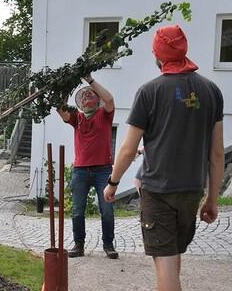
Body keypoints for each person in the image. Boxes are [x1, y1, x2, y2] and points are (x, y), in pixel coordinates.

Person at [104, 25, 224, 290]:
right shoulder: (212, 91)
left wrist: (113, 182)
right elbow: (217, 153)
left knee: (166, 264)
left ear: (157, 55)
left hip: (158, 191)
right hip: (192, 190)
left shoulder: (150, 92)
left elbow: (127, 149)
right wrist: (212, 199)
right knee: (173, 254)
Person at [57, 74, 118, 259]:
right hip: (81, 171)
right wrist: (66, 85)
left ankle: (108, 244)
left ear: (97, 99)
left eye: (91, 94)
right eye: (83, 96)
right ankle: (79, 245)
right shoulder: (77, 118)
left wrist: (90, 80)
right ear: (80, 103)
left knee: (107, 210)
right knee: (77, 210)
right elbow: (60, 110)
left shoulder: (105, 114)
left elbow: (109, 99)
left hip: (103, 170)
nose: (87, 96)